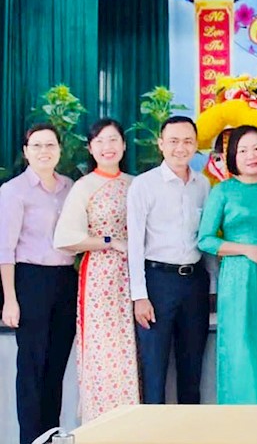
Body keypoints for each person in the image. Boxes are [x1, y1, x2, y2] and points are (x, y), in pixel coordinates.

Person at [197, 125, 257, 404]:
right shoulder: (223, 192)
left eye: (256, 148)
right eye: (243, 150)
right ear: (232, 156)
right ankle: (241, 414)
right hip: (238, 280)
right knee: (242, 347)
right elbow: (205, 239)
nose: (251, 155)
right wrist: (245, 249)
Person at [53, 118, 139, 422]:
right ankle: (103, 423)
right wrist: (109, 241)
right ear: (90, 148)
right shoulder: (84, 187)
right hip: (101, 277)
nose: (107, 147)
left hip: (136, 276)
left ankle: (135, 426)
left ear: (124, 145)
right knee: (105, 352)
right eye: (100, 141)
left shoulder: (136, 184)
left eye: (113, 139)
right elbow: (65, 239)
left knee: (135, 350)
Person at [127, 116, 210, 405]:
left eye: (187, 141)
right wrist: (139, 296)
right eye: (173, 141)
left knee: (192, 368)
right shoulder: (144, 185)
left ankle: (189, 427)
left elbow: (206, 239)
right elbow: (135, 244)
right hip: (157, 283)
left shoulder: (203, 185)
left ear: (196, 146)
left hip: (195, 282)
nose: (180, 148)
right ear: (160, 144)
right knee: (154, 368)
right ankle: (153, 428)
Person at [0, 124, 76, 444]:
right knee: (32, 365)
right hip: (30, 279)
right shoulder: (13, 191)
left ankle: (50, 434)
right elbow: (5, 249)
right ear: (26, 151)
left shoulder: (70, 187)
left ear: (59, 149)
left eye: (50, 145)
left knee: (56, 364)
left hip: (65, 280)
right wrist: (10, 299)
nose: (44, 151)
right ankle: (29, 438)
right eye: (37, 146)